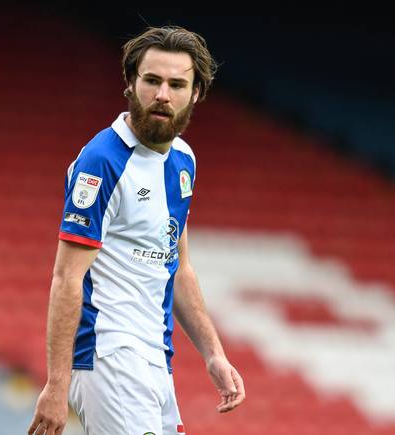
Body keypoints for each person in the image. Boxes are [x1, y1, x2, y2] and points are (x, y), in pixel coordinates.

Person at [28, 26, 245, 435]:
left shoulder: (183, 160)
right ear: (130, 83)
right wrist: (57, 385)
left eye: (177, 84)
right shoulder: (103, 161)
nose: (163, 94)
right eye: (152, 80)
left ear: (195, 93)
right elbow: (66, 278)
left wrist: (213, 353)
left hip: (155, 359)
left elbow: (177, 266)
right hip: (109, 355)